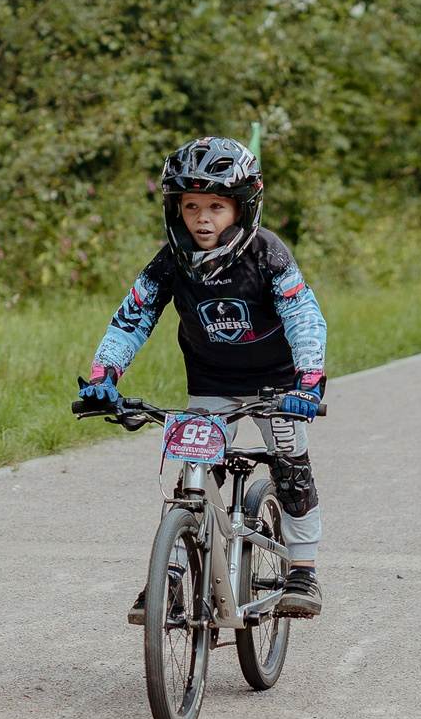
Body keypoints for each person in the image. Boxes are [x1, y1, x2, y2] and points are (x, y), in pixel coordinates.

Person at [76, 136, 328, 618]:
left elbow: (303, 315)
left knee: (291, 470)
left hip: (278, 385)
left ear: (243, 207)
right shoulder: (171, 259)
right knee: (192, 478)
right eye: (191, 206)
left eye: (217, 205)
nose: (203, 218)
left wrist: (309, 381)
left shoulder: (268, 253)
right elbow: (132, 317)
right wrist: (103, 375)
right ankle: (168, 581)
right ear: (176, 209)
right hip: (211, 381)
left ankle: (303, 570)